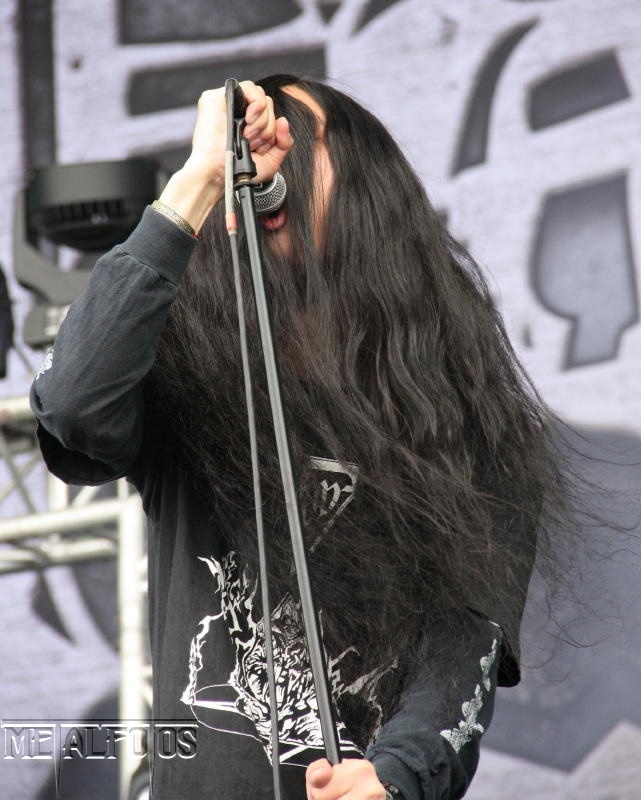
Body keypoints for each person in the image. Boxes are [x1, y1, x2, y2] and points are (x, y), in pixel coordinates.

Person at [30, 75, 565, 800]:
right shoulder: (191, 381)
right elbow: (72, 405)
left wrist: (392, 777)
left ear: (364, 186)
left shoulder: (473, 427)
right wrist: (197, 182)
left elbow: (461, 648)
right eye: (252, 146)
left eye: (300, 140)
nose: (269, 159)